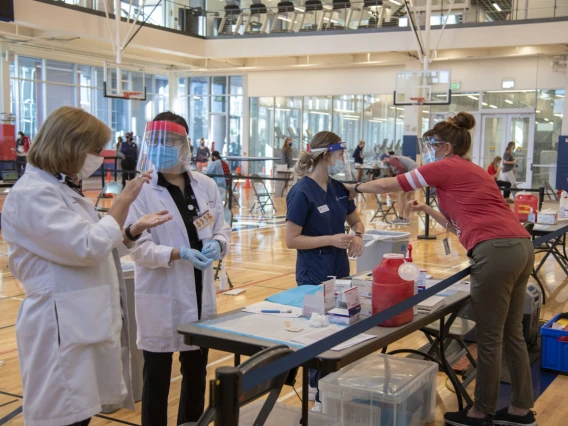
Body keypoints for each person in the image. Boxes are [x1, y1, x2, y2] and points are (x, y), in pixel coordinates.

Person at [347, 112, 536, 426]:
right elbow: (455, 225)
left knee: (489, 337)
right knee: (511, 333)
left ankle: (481, 411)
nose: (430, 149)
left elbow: (393, 183)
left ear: (446, 147)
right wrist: (426, 209)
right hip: (520, 246)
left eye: (433, 144)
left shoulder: (445, 166)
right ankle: (520, 409)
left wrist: (357, 187)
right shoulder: (470, 170)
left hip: (495, 251)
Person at [1, 106, 172, 426]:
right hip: (57, 325)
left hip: (78, 320)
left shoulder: (61, 191)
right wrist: (122, 204)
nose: (99, 156)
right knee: (60, 415)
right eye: (95, 150)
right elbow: (86, 247)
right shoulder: (32, 195)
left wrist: (132, 230)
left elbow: (96, 243)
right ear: (69, 146)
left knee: (79, 415)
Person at [126, 112, 232, 426]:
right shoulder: (141, 190)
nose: (164, 147)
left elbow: (221, 229)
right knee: (156, 380)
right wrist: (177, 253)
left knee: (197, 374)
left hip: (200, 297)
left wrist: (218, 245)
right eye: (158, 141)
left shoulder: (205, 185)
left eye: (171, 140)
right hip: (161, 297)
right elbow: (139, 247)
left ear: (185, 144)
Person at [286, 131, 365, 412]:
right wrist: (331, 239)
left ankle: (326, 387)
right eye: (340, 152)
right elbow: (291, 239)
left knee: (339, 331)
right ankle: (317, 390)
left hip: (339, 270)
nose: (343, 157)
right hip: (313, 272)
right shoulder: (301, 192)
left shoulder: (339, 189)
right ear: (326, 154)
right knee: (318, 333)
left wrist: (357, 235)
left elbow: (356, 221)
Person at [381, 153, 418, 225]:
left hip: (413, 173)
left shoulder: (392, 159)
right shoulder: (394, 162)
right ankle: (406, 219)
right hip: (417, 173)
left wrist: (398, 181)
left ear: (385, 158)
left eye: (382, 161)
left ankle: (400, 218)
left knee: (400, 194)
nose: (383, 163)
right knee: (407, 196)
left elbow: (401, 168)